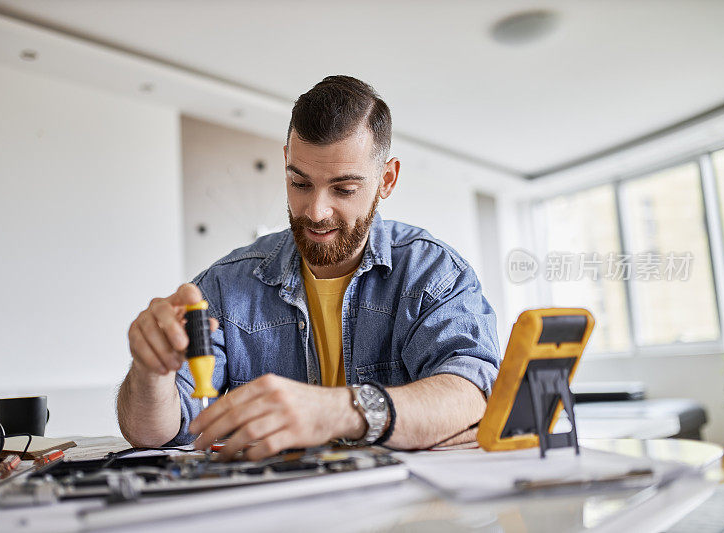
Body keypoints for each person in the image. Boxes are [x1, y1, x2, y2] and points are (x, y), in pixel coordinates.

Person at [117, 75, 500, 461]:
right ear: (286, 161)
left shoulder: (432, 273)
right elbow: (157, 434)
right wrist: (150, 374)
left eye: (344, 189)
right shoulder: (222, 287)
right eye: (299, 183)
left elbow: (473, 393)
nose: (316, 212)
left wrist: (339, 410)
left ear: (387, 179)